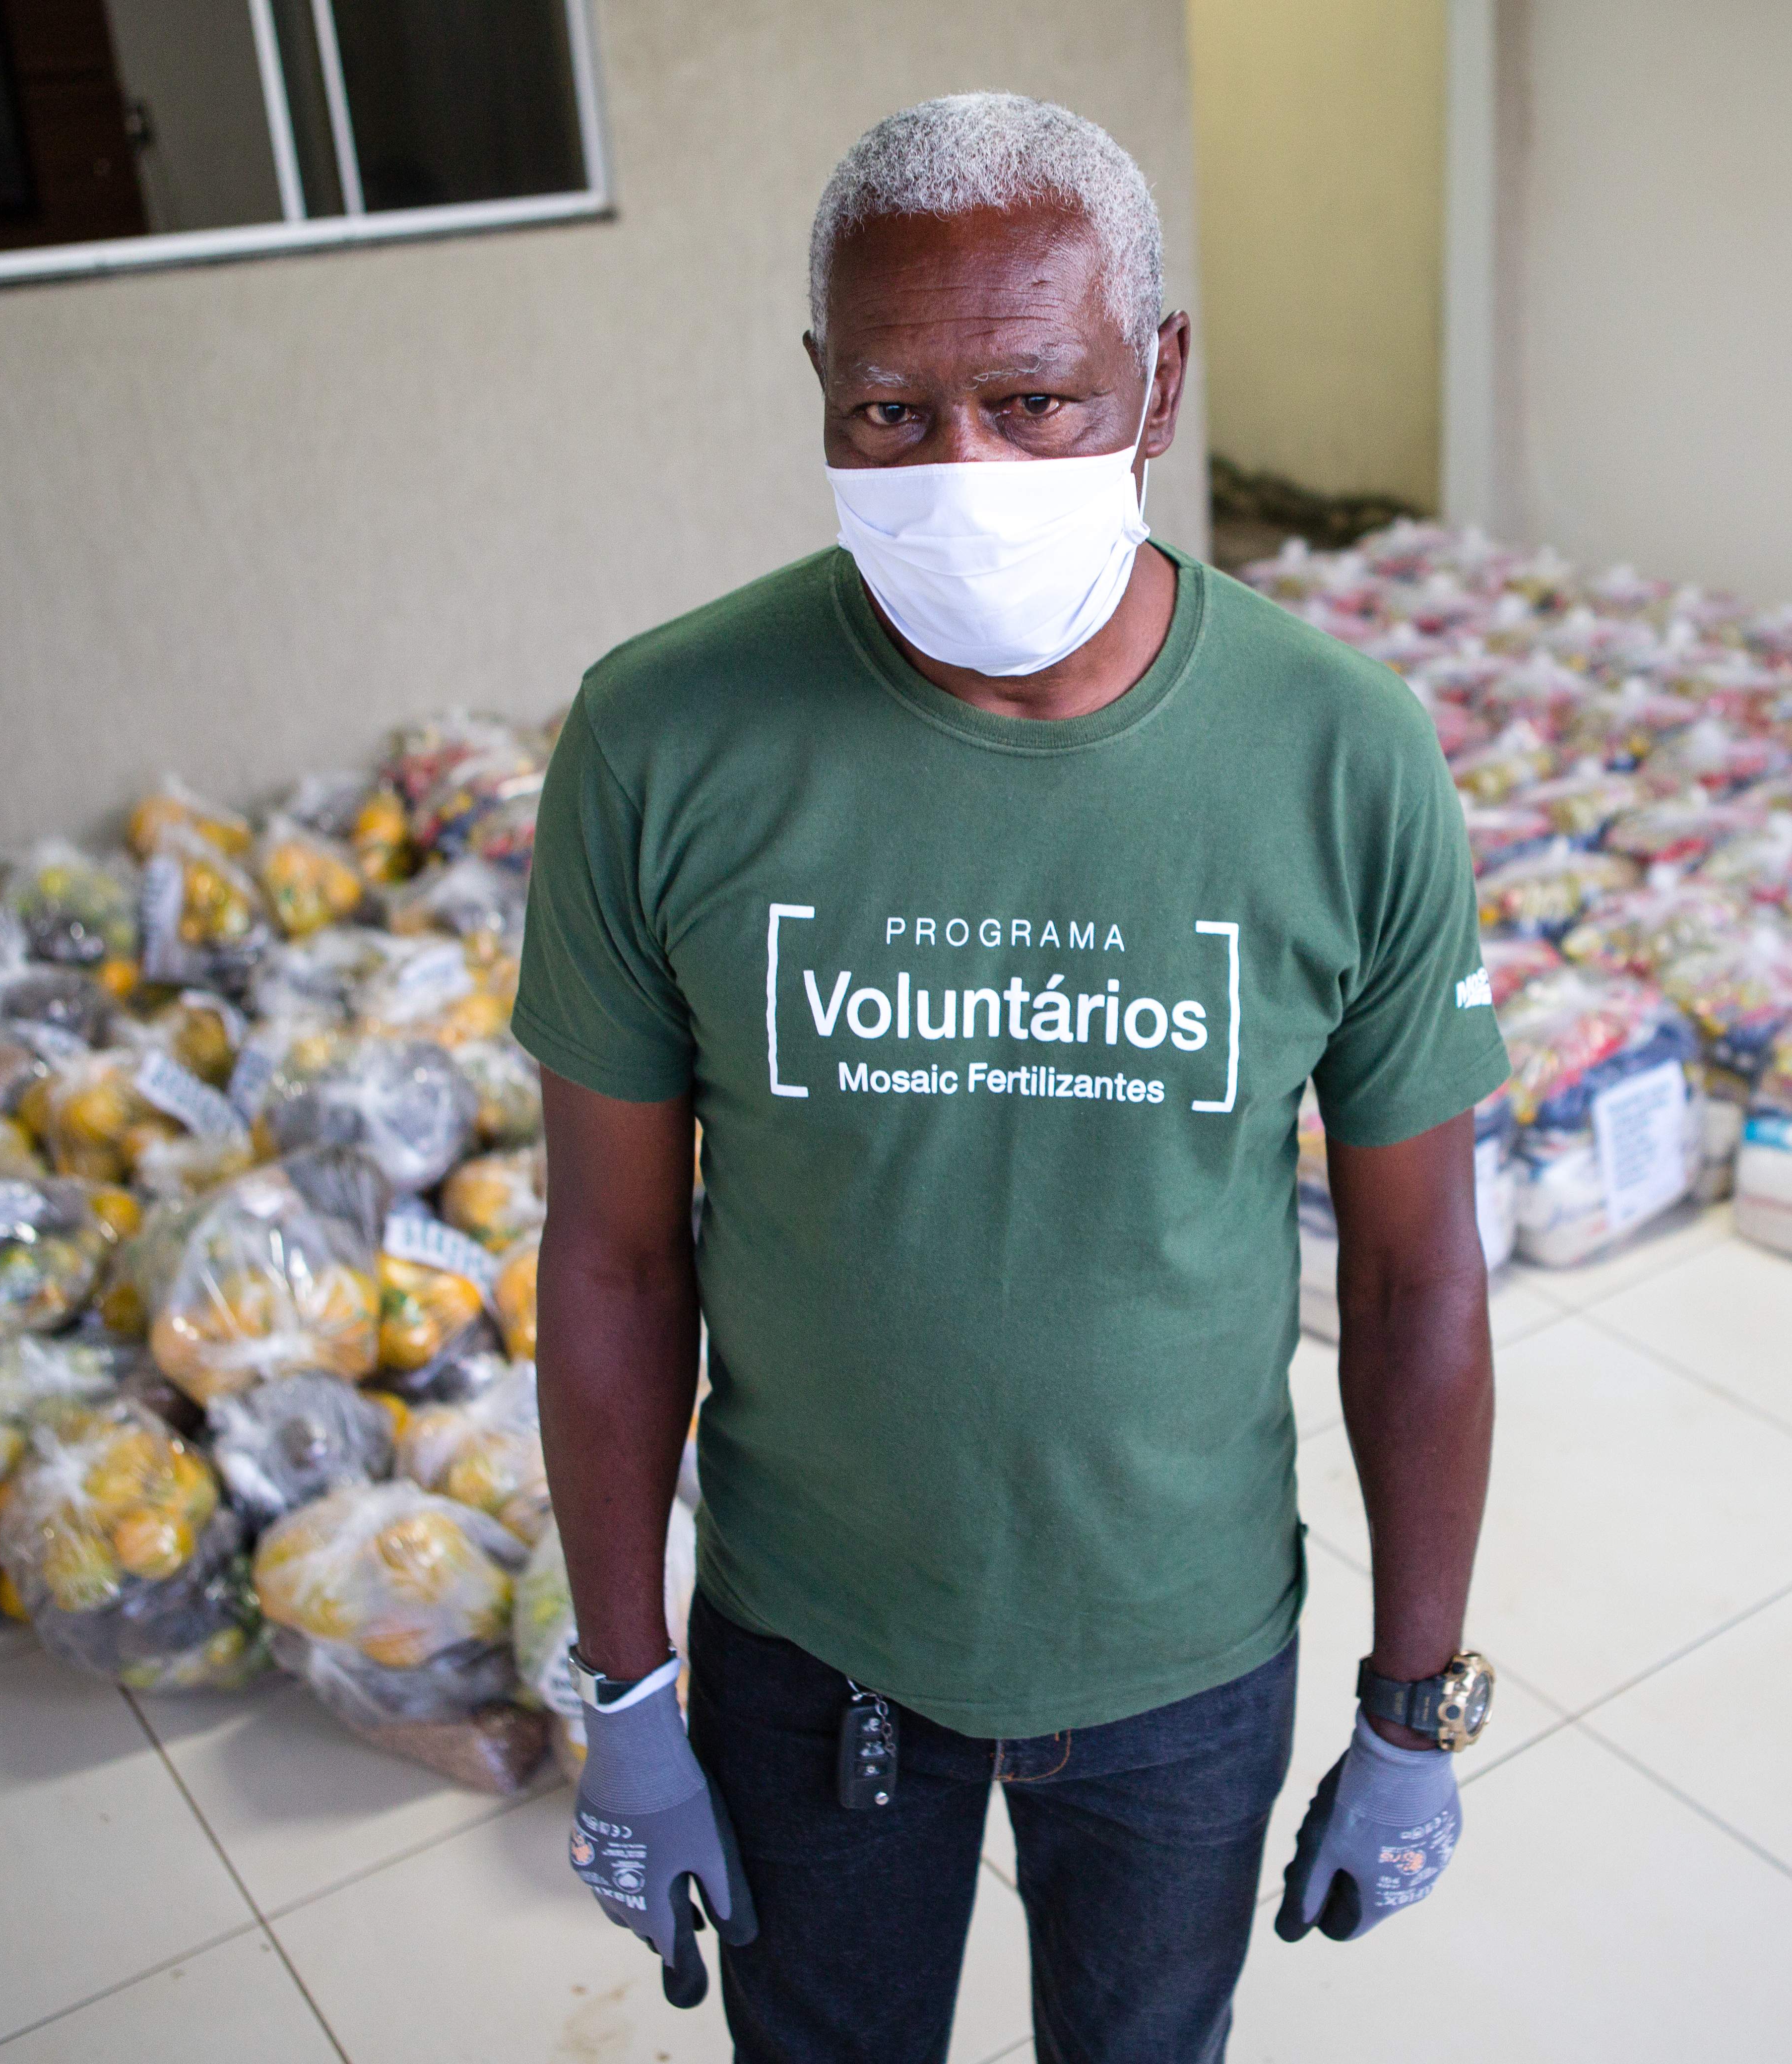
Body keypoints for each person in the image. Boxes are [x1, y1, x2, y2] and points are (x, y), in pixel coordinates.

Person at [520, 92, 1506, 2063]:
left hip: (1185, 1647)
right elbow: (616, 1262)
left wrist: (1417, 1704)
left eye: (1037, 401)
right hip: (814, 1649)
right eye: (894, 412)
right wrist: (627, 1691)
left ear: (1158, 381)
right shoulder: (663, 743)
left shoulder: (1342, 755)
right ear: (818, 390)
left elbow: (1419, 1279)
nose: (965, 466)